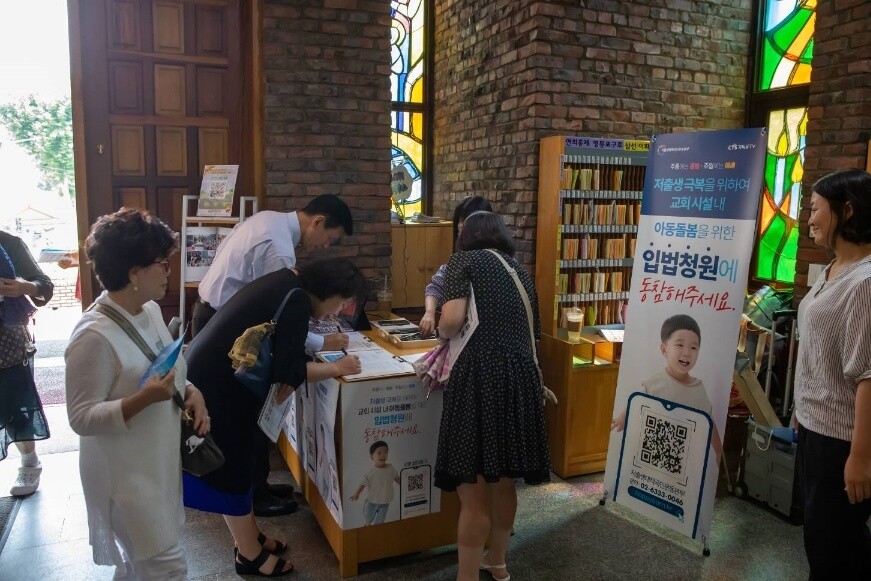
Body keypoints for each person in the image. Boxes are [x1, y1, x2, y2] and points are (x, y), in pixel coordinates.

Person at [183, 257, 366, 577]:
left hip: (210, 373)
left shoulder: (287, 281)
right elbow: (289, 372)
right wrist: (339, 367)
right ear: (329, 291)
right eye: (341, 302)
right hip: (219, 386)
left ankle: (250, 537)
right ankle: (248, 556)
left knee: (241, 463)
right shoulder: (297, 301)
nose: (338, 312)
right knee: (234, 469)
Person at [65, 208, 210, 580]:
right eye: (161, 264)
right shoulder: (93, 337)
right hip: (124, 478)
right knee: (166, 567)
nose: (168, 271)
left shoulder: (147, 311)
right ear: (133, 272)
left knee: (141, 568)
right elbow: (81, 417)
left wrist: (192, 392)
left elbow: (168, 370)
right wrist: (143, 399)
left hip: (153, 464)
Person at [192, 193, 354, 516]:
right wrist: (322, 346)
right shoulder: (277, 250)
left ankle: (258, 487)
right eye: (330, 239)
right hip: (230, 334)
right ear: (318, 222)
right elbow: (280, 323)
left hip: (215, 319)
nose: (325, 247)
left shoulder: (269, 220)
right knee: (245, 413)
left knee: (248, 412)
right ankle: (253, 494)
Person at [436, 211, 550, 581]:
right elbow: (534, 334)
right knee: (504, 482)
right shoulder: (519, 271)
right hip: (520, 381)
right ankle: (497, 562)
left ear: (465, 236)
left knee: (473, 491)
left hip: (479, 378)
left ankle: (466, 576)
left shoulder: (463, 261)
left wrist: (439, 331)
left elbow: (452, 320)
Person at [793, 168, 871, 577]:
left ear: (847, 211)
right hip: (814, 428)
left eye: (815, 210)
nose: (809, 219)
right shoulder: (834, 267)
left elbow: (868, 376)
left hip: (841, 440)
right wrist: (799, 408)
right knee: (823, 539)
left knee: (833, 545)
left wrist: (860, 458)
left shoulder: (865, 282)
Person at [610, 314, 723, 462]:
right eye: (680, 345)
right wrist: (622, 418)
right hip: (652, 452)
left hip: (683, 458)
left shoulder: (698, 389)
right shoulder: (654, 383)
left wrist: (719, 450)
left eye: (693, 347)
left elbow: (709, 422)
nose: (687, 352)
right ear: (664, 349)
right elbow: (636, 402)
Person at [0, 230, 53, 496]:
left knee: (14, 403)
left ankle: (30, 462)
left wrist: (24, 287)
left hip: (7, 341)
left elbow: (44, 285)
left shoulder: (8, 243)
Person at [419, 196, 492, 337]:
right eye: (459, 230)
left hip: (479, 345)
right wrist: (429, 313)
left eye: (464, 229)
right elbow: (435, 287)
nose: (461, 236)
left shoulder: (463, 263)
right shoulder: (512, 264)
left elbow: (449, 327)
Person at [349, 440, 400, 526]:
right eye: (379, 453)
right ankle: (367, 525)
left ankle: (376, 532)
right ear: (372, 457)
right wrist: (356, 494)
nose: (383, 455)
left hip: (385, 502)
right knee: (368, 519)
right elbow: (362, 484)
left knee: (380, 522)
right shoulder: (371, 472)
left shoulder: (391, 468)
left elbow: (397, 478)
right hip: (371, 502)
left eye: (385, 452)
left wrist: (405, 485)